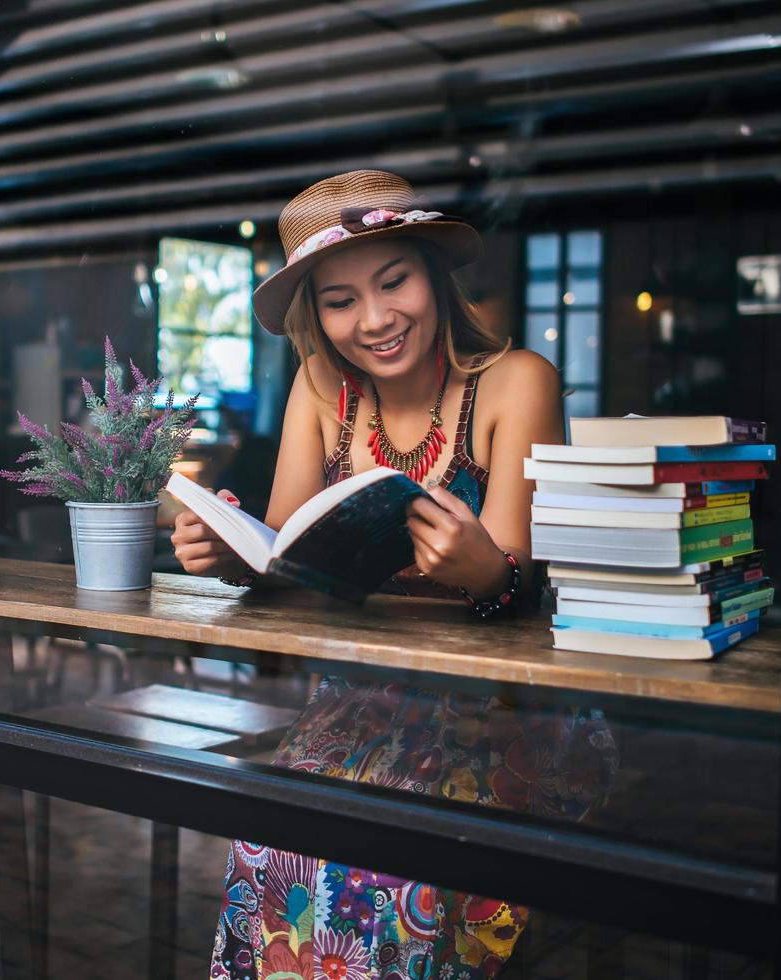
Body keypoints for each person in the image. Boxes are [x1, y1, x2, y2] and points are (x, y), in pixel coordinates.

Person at [173, 171, 617, 980]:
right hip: (362, 699)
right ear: (315, 316)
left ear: (432, 275)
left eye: (393, 281)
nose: (374, 319)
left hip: (509, 714)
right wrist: (231, 554)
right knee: (274, 838)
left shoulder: (517, 380)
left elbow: (520, 589)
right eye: (340, 300)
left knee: (383, 873)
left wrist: (487, 569)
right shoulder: (317, 389)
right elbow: (285, 558)